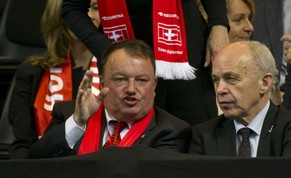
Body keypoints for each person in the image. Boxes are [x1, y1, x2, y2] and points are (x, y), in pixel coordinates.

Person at [61, 0, 230, 125]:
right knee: (130, 148)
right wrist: (107, 50)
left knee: (195, 141)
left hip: (184, 53)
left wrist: (219, 24)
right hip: (120, 51)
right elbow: (72, 7)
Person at [28, 39, 191, 159]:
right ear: (103, 82)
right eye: (120, 79)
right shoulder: (69, 114)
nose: (131, 89)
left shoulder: (171, 130)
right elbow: (35, 163)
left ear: (154, 84)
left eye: (141, 80)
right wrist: (78, 122)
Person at [9, 0, 101, 159]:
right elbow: (23, 143)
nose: (89, 15)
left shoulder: (118, 72)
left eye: (95, 8)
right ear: (59, 14)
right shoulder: (32, 71)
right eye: (79, 8)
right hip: (46, 170)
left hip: (102, 169)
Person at [188, 41, 291, 157]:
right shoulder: (204, 135)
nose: (220, 89)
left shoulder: (287, 127)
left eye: (231, 78)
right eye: (216, 80)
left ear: (264, 83)